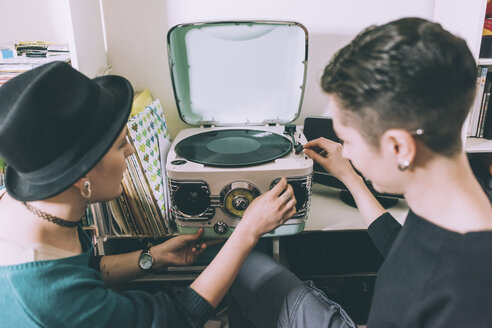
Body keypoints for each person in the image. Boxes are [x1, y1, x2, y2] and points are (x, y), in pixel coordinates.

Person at [227, 17, 492, 327]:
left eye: (348, 140)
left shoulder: (437, 291)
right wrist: (349, 176)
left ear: (399, 148)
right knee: (244, 268)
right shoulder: (455, 201)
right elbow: (402, 245)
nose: (345, 151)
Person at [0, 61, 298, 327]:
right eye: (120, 145)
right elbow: (178, 318)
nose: (131, 151)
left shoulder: (30, 206)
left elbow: (88, 270)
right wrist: (248, 230)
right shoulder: (49, 297)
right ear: (82, 176)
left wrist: (153, 256)